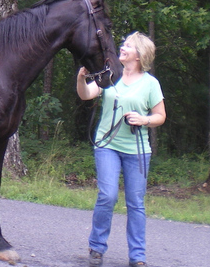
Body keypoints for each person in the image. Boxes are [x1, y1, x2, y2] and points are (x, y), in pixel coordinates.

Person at [76, 32, 166, 267]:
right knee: (108, 195)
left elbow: (160, 116)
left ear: (139, 55)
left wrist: (143, 119)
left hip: (137, 150)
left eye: (128, 45)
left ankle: (137, 257)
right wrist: (81, 80)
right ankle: (96, 247)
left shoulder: (150, 83)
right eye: (123, 44)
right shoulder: (109, 75)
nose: (122, 47)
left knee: (136, 203)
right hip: (107, 146)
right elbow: (86, 95)